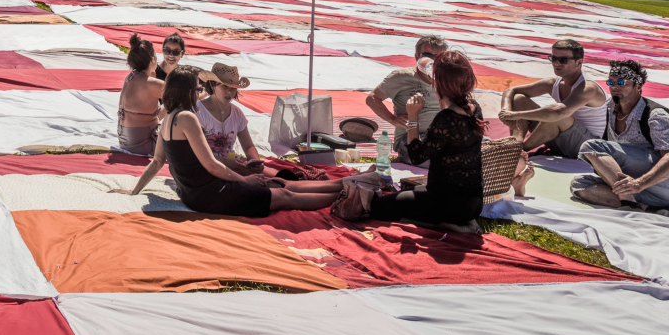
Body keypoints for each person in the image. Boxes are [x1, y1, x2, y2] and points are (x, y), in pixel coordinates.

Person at [125, 68, 343, 215]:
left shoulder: (168, 118)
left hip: (193, 193)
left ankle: (342, 186)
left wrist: (134, 191)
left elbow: (156, 162)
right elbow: (211, 164)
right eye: (198, 89)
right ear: (188, 91)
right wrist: (243, 180)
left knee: (280, 185)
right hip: (210, 194)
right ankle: (343, 193)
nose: (199, 93)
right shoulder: (187, 117)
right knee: (286, 195)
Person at [362, 49, 487, 227]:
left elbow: (416, 156)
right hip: (474, 203)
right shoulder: (474, 107)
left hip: (448, 205)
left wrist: (413, 116)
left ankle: (446, 225)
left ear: (439, 82)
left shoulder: (446, 118)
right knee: (408, 193)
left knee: (377, 208)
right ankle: (457, 222)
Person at [569, 59, 669, 213]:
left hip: (664, 186)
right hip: (637, 186)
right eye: (611, 82)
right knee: (579, 184)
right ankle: (647, 208)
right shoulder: (610, 109)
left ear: (638, 86)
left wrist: (639, 184)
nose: (614, 87)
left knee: (592, 146)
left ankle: (627, 199)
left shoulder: (656, 116)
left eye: (621, 82)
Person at [498, 38, 609, 158]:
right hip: (561, 138)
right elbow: (511, 91)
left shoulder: (588, 88)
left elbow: (558, 112)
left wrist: (516, 115)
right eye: (553, 58)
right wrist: (506, 111)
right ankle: (516, 142)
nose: (556, 63)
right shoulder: (553, 83)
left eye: (563, 60)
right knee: (519, 99)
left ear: (579, 63)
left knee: (557, 114)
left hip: (587, 147)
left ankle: (519, 149)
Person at [364, 34, 450, 164]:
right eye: (427, 55)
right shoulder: (402, 76)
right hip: (410, 138)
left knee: (485, 149)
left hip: (443, 136)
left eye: (437, 57)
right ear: (417, 57)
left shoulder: (448, 79)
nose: (432, 61)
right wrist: (393, 120)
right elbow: (372, 98)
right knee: (436, 161)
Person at [196, 62, 263, 174]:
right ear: (212, 85)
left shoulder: (237, 113)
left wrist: (255, 162)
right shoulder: (198, 112)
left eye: (233, 88)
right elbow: (197, 154)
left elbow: (248, 146)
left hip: (232, 163)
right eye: (224, 86)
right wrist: (227, 162)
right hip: (207, 167)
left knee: (273, 175)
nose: (229, 92)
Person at [117, 36, 168, 155]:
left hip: (126, 141)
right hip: (143, 145)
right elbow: (185, 96)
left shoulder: (130, 77)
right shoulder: (151, 83)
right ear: (152, 60)